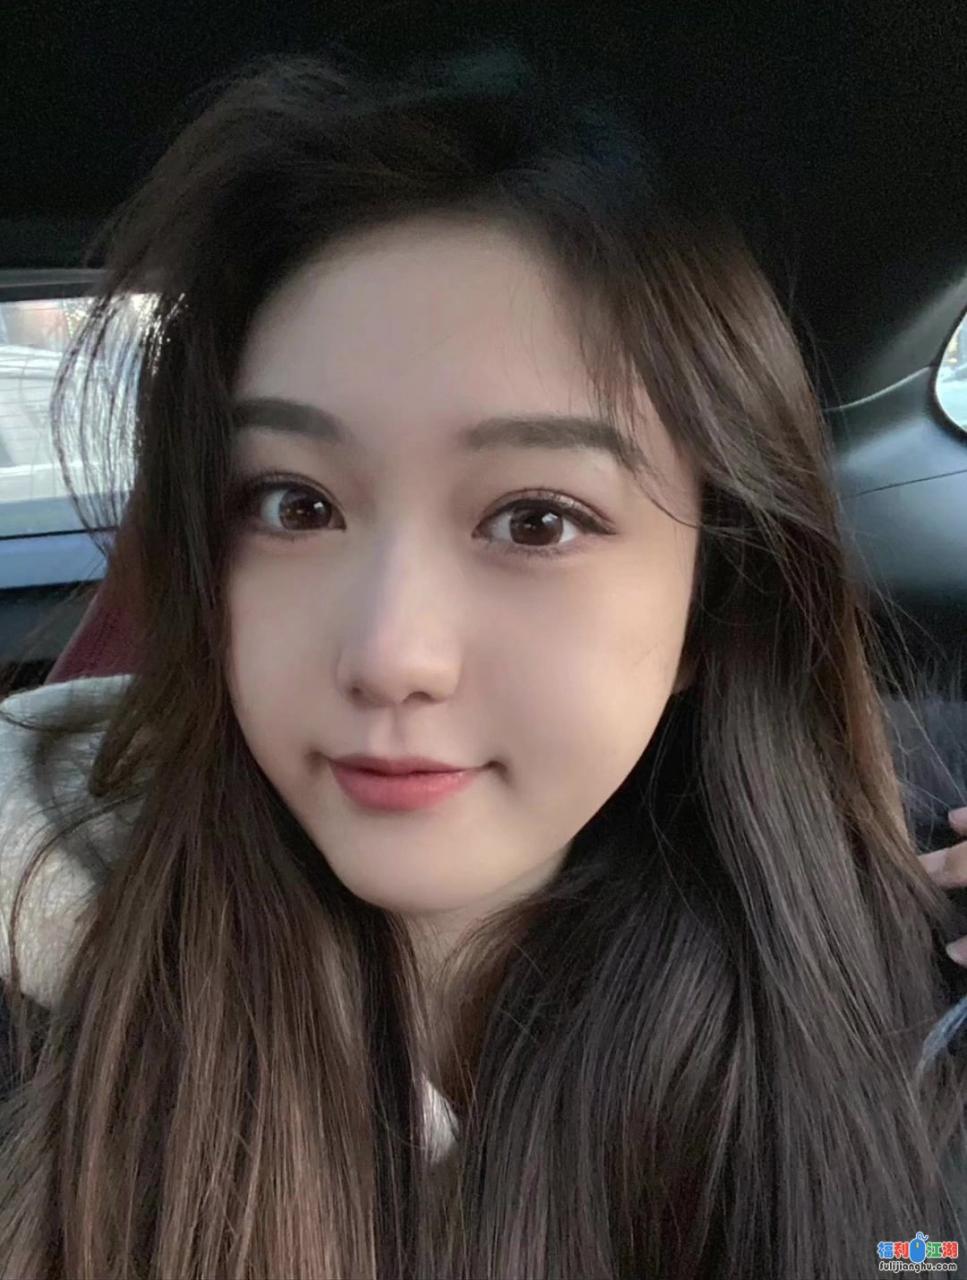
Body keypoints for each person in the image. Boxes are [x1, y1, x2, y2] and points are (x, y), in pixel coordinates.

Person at [0, 43, 965, 1280]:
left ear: (711, 604)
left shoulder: (904, 1003)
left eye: (535, 519)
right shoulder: (39, 994)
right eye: (294, 504)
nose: (389, 655)